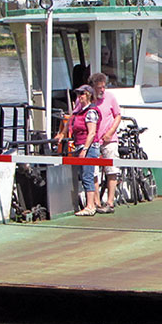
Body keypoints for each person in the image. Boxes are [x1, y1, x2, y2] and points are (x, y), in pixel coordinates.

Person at [57, 84, 101, 216]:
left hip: (89, 148)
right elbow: (69, 121)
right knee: (84, 175)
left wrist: (85, 149)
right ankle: (90, 204)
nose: (79, 97)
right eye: (78, 94)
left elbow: (92, 133)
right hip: (79, 145)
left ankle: (90, 206)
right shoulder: (78, 111)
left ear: (88, 95)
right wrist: (62, 134)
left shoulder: (91, 112)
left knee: (88, 175)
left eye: (81, 94)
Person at [89, 71, 121, 213]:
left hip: (109, 139)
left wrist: (110, 132)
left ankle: (110, 201)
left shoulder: (110, 98)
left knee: (112, 170)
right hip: (93, 140)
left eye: (104, 87)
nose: (102, 90)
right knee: (94, 171)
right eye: (99, 87)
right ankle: (96, 202)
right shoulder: (88, 99)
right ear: (93, 87)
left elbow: (118, 116)